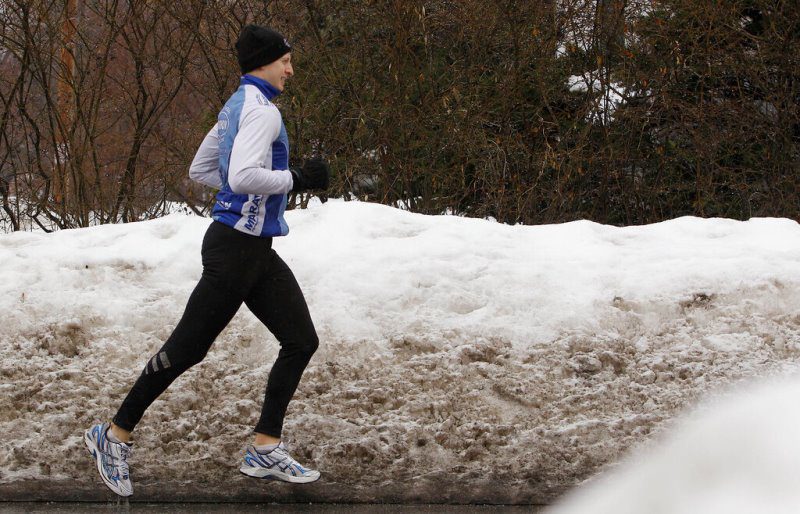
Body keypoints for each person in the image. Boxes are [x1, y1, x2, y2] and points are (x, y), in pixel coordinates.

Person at [84, 25, 330, 497]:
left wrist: (247, 197)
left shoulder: (234, 107)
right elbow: (239, 176)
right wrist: (296, 178)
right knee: (186, 349)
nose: (290, 69)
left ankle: (264, 448)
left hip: (252, 249)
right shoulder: (263, 113)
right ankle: (112, 435)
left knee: (301, 340)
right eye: (286, 61)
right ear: (264, 62)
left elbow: (202, 170)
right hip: (234, 250)